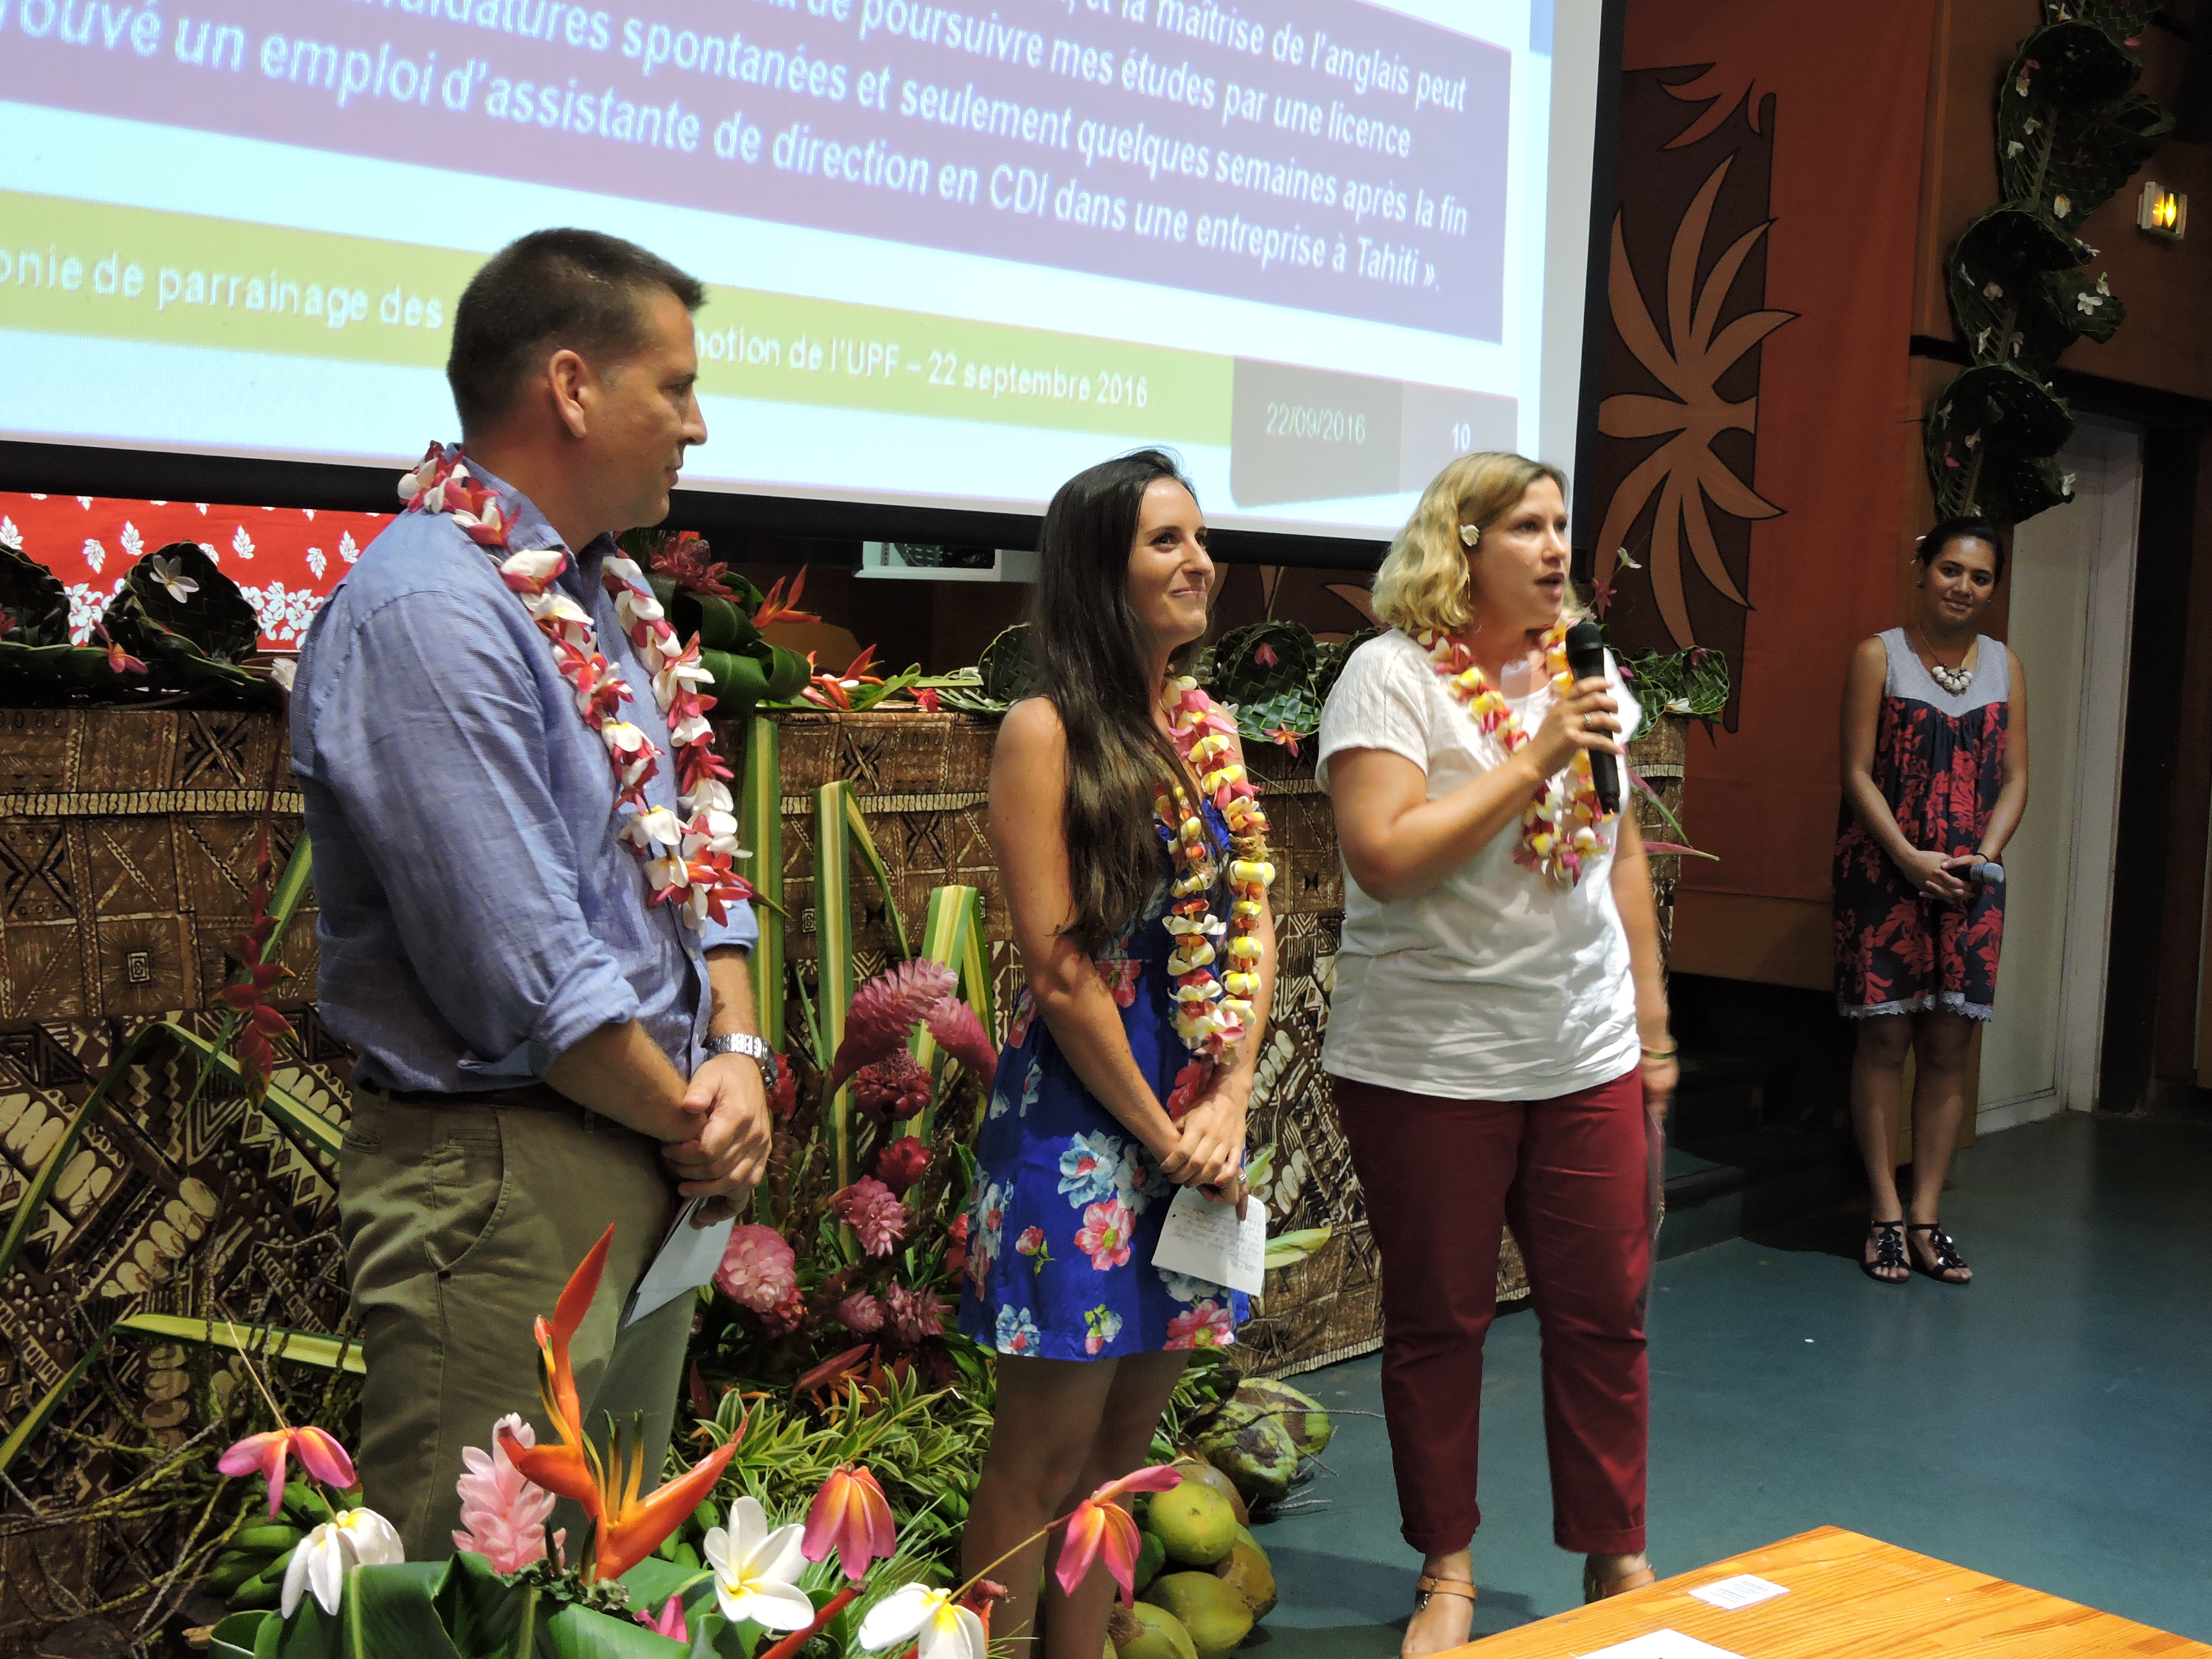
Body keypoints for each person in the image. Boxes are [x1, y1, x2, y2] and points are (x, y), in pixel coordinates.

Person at [290, 229, 775, 1555]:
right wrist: (698, 1118)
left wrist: (735, 1053)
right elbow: (524, 970)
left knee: (605, 1580)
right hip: (504, 1173)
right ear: (571, 386)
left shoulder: (611, 595)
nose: (698, 424)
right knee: (478, 1603)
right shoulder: (427, 614)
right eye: (674, 386)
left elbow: (701, 870)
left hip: (649, 1139)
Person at [1317, 452, 1676, 1656]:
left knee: (1606, 1315)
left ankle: (1617, 1552)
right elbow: (1383, 853)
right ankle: (1448, 1569)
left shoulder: (1590, 669)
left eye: (1563, 524)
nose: (1557, 547)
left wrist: (1655, 1031)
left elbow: (1618, 850)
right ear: (1462, 543)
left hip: (1584, 1051)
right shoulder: (1389, 677)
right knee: (1440, 1321)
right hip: (1431, 1058)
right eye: (1528, 525)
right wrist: (1531, 760)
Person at [959, 450, 1277, 1658]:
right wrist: (1165, 1135)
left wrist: (1234, 1098)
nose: (1200, 561)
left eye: (1200, 538)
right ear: (1101, 568)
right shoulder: (1046, 731)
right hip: (1082, 1142)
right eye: (1165, 542)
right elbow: (1059, 970)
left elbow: (1256, 923)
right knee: (1038, 1467)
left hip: (1199, 1136)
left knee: (1119, 1467)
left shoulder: (1212, 732)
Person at [1834, 515, 2028, 1286]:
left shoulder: (2007, 665)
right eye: (1952, 570)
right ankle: (1883, 1213)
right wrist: (1909, 858)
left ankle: (1925, 1216)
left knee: (1950, 1048)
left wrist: (1983, 855)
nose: (1964, 588)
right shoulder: (1877, 655)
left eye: (1980, 577)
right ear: (1924, 570)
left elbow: (2016, 777)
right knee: (1883, 1041)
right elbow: (1855, 772)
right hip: (1885, 871)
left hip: (1972, 881)